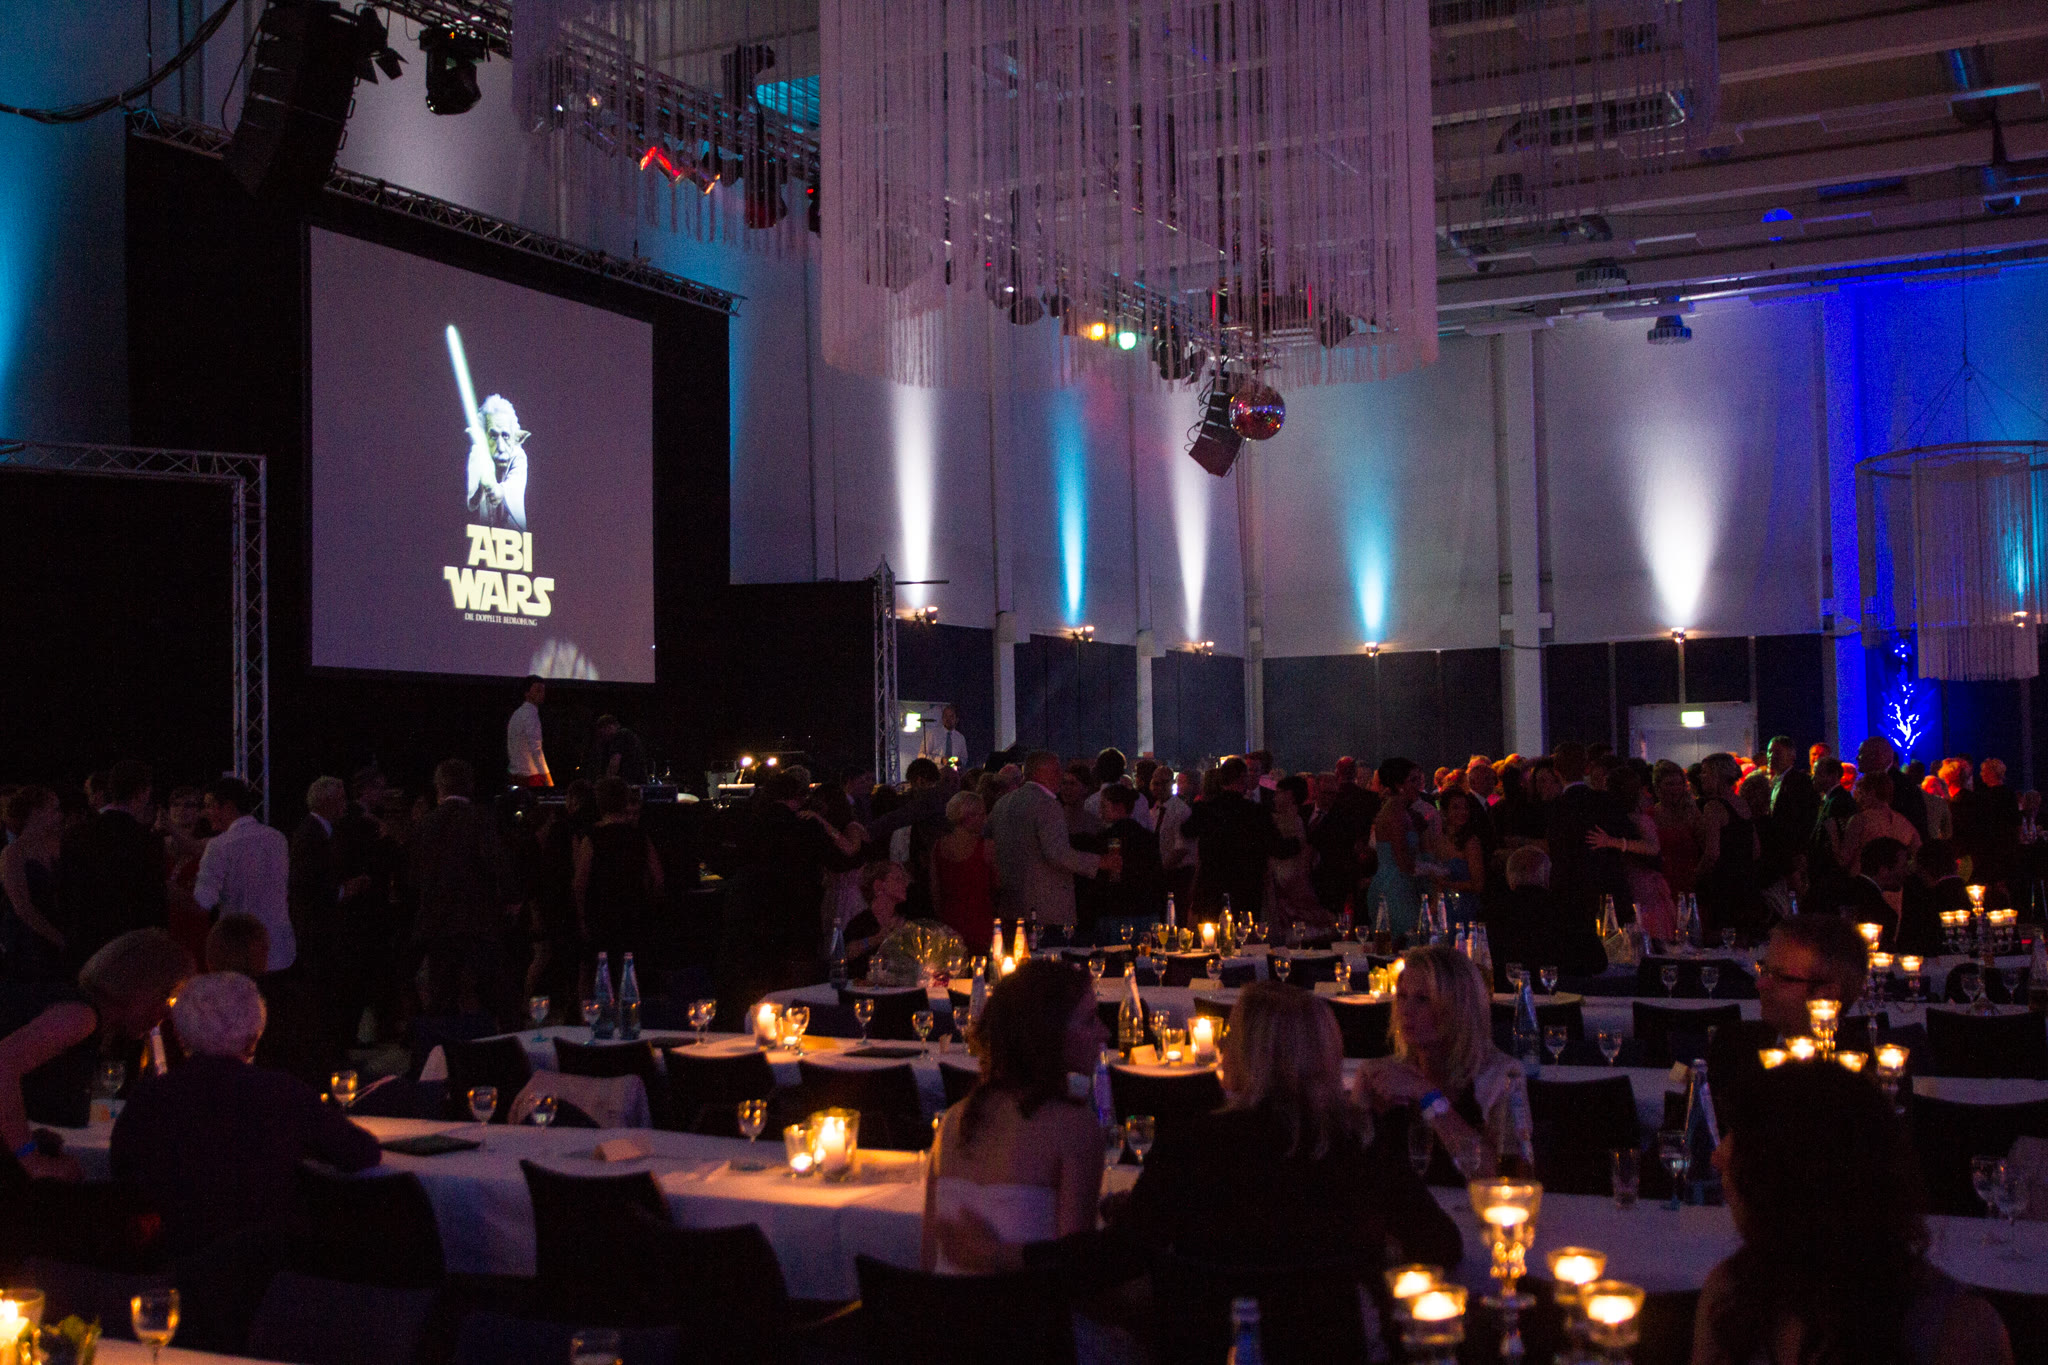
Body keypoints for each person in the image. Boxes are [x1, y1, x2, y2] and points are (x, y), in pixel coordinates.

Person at [1111, 984, 1461, 1324]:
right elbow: (1441, 1245)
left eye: (1232, 1035)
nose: (1223, 1045)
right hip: (1332, 1344)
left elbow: (1124, 1255)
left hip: (1212, 1341)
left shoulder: (1189, 1146)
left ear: (1252, 1054)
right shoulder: (1362, 1144)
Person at [1690, 1063, 2013, 1365]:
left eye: (1740, 1140)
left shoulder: (1956, 1330)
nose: (1718, 1157)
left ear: (1789, 1175)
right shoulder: (1732, 1299)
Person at [111, 972, 381, 1255]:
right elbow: (361, 1152)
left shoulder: (149, 1096)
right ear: (254, 1036)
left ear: (181, 1034)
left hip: (171, 1256)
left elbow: (121, 1168)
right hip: (265, 1264)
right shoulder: (282, 1093)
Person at [923, 959, 1108, 1274]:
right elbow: (1075, 1272)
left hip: (947, 1305)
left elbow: (928, 1265)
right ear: (1048, 1034)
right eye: (1090, 1020)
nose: (1104, 1032)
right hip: (1027, 1306)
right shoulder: (1075, 1128)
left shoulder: (953, 1120)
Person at [0, 929, 195, 1177]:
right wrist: (32, 1159)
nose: (168, 1013)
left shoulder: (83, 1014)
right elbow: (3, 1066)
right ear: (139, 986)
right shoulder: (80, 1017)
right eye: (167, 997)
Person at [1355, 944, 1533, 1183]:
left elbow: (1504, 1175)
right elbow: (1352, 1171)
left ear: (1459, 1008)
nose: (1406, 1010)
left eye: (1423, 999)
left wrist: (1428, 1096)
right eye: (1403, 996)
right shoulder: (1378, 1076)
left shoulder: (1502, 1076)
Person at [1704, 915, 1870, 1135]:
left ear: (1826, 994)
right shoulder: (1735, 1046)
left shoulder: (1865, 1070)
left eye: (1780, 977)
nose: (1760, 984)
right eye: (1765, 970)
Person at [409, 759, 520, 1023]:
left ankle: (441, 1044)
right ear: (470, 785)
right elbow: (497, 862)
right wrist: (512, 897)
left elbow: (413, 876)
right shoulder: (480, 818)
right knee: (496, 990)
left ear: (439, 787)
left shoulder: (426, 824)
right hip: (477, 917)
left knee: (441, 994)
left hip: (438, 921)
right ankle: (509, 1040)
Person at [55, 759, 166, 974]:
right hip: (129, 948)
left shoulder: (75, 835)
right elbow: (153, 902)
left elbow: (64, 893)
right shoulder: (146, 841)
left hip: (85, 944)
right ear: (143, 792)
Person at [986, 751, 1116, 932]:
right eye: (1056, 770)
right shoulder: (1047, 805)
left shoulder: (1002, 804)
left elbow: (989, 845)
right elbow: (1057, 853)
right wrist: (1100, 862)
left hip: (1010, 903)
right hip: (1045, 908)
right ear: (1040, 772)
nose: (1060, 776)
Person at [193, 778, 293, 973]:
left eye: (210, 806)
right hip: (280, 949)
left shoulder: (219, 846)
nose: (205, 813)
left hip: (240, 954)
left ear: (229, 807)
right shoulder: (278, 838)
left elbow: (203, 901)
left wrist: (171, 892)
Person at [1183, 757, 1300, 923]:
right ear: (1242, 778)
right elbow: (1278, 848)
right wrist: (1299, 841)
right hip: (1246, 887)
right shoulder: (1255, 812)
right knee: (1245, 933)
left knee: (1211, 934)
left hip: (1211, 886)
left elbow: (1186, 831)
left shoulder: (1205, 809)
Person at [574, 777, 664, 986]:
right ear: (624, 801)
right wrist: (651, 905)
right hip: (634, 915)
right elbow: (658, 878)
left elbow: (580, 883)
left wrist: (582, 919)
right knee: (632, 975)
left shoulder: (592, 838)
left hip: (601, 916)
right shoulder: (639, 836)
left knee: (598, 975)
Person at [1, 786, 67, 982]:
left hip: (57, 927)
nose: (60, 816)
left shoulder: (56, 846)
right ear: (35, 812)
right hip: (27, 939)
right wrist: (58, 938)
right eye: (54, 809)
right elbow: (22, 907)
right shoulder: (13, 853)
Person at [1695, 753, 1762, 944]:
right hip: (1747, 884)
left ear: (1717, 775)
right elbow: (1756, 850)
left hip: (1723, 886)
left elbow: (1712, 853)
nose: (1701, 776)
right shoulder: (1742, 803)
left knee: (1720, 942)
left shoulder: (1713, 807)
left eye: (1705, 772)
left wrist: (1696, 875)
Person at [1365, 758, 1426, 938]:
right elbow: (1402, 859)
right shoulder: (1395, 813)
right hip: (1395, 887)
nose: (1418, 785)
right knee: (1407, 940)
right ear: (1399, 785)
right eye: (1413, 780)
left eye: (1418, 779)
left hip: (1396, 882)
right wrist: (1433, 869)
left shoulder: (1398, 809)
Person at [1089, 784, 1166, 927]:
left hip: (1115, 909)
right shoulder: (1147, 836)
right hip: (1146, 907)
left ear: (1118, 807)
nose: (1100, 811)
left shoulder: (1106, 838)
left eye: (1104, 806)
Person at [930, 791, 997, 952]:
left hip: (949, 924)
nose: (985, 819)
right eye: (981, 814)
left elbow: (935, 892)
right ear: (967, 817)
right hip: (981, 924)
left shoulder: (938, 847)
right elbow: (997, 886)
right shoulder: (987, 847)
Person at [1265, 777, 1333, 937]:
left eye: (1278, 793)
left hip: (1286, 891)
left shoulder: (1289, 822)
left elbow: (1288, 865)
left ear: (1289, 795)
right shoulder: (1296, 820)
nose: (1274, 797)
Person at [1837, 771, 1920, 879]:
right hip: (1894, 887)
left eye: (1861, 793)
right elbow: (1920, 857)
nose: (1858, 799)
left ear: (1871, 792)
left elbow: (1843, 860)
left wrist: (1833, 835)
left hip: (1863, 883)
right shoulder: (1904, 823)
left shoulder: (1861, 820)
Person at [466, 393, 529, 530]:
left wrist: (499, 490)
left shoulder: (518, 456)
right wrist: (481, 488)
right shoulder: (477, 454)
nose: (500, 447)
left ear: (516, 438)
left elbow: (515, 486)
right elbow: (471, 503)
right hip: (482, 537)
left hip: (513, 537)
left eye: (505, 436)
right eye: (493, 436)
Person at [843, 860, 912, 979]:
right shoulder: (860, 923)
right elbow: (845, 955)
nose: (905, 884)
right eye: (898, 879)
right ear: (878, 886)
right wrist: (878, 938)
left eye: (904, 879)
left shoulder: (904, 921)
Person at [1839, 837, 1910, 947]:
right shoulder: (1883, 913)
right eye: (1903, 867)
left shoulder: (1838, 889)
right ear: (1883, 871)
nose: (1907, 873)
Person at [1080, 748, 1149, 828]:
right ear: (1122, 770)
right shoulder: (1140, 799)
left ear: (1099, 771)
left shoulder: (1090, 802)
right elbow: (1148, 828)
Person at [508, 675, 551, 788]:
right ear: (526, 693)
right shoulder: (530, 714)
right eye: (538, 690)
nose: (542, 694)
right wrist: (546, 777)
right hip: (530, 777)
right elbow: (536, 748)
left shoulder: (517, 713)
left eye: (543, 691)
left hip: (515, 774)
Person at [586, 714, 650, 785]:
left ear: (609, 727)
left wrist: (605, 783)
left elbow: (615, 761)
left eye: (602, 732)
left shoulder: (620, 735)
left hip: (628, 783)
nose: (603, 736)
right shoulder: (628, 736)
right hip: (638, 782)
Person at [919, 704, 972, 769]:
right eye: (945, 716)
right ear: (942, 718)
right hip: (936, 771)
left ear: (956, 719)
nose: (948, 719)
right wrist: (940, 760)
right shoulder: (932, 734)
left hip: (953, 772)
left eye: (951, 716)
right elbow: (921, 755)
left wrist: (959, 762)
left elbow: (964, 759)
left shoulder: (960, 738)